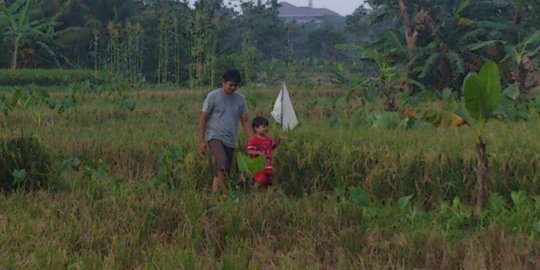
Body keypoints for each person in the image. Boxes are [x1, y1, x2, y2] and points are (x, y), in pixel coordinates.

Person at [198, 69, 254, 195]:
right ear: (223, 83)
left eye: (235, 85)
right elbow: (203, 118)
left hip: (230, 140)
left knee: (223, 170)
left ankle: (216, 195)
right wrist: (201, 141)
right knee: (222, 164)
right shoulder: (213, 96)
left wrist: (252, 138)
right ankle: (226, 195)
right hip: (215, 137)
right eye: (230, 85)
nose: (233, 88)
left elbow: (245, 120)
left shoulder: (240, 100)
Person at [246, 116, 286, 188]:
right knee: (261, 179)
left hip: (268, 164)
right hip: (259, 165)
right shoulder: (254, 140)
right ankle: (254, 191)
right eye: (263, 127)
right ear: (256, 128)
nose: (266, 128)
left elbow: (274, 146)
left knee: (269, 181)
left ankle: (264, 194)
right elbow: (249, 151)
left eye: (266, 126)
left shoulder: (268, 139)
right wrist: (259, 153)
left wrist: (279, 139)